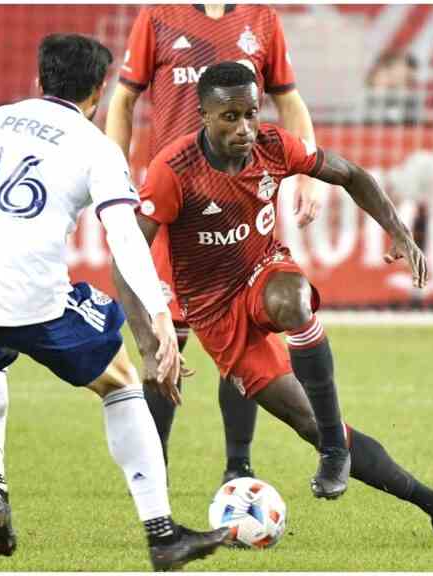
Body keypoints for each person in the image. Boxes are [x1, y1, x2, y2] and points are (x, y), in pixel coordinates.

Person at [0, 33, 228, 571]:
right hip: (30, 299)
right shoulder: (96, 148)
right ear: (99, 93)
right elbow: (124, 235)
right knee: (121, 381)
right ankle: (162, 534)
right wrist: (160, 318)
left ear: (40, 80)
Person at [112, 61, 433, 547]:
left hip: (264, 273)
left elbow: (351, 174)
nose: (244, 128)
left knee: (294, 299)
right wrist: (150, 346)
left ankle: (334, 454)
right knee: (311, 424)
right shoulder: (173, 171)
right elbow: (128, 256)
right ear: (203, 115)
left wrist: (399, 232)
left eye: (251, 114)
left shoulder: (275, 146)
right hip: (215, 314)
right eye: (230, 117)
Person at [106, 3, 323, 485]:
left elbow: (289, 98)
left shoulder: (262, 19)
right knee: (165, 335)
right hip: (173, 200)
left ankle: (238, 464)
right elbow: (123, 100)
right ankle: (154, 463)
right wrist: (115, 175)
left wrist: (309, 175)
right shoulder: (159, 16)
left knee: (243, 332)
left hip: (238, 202)